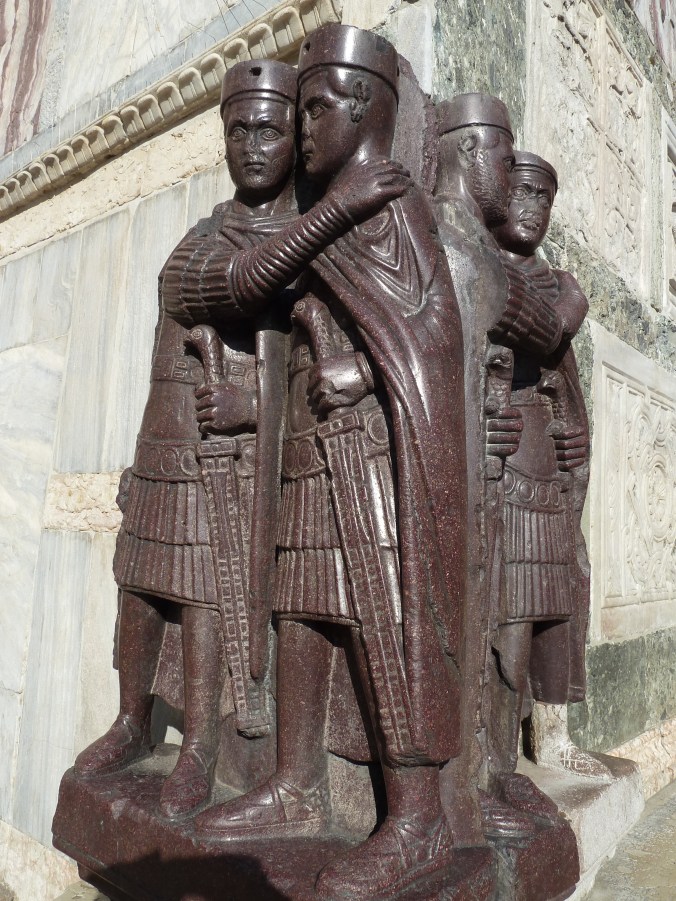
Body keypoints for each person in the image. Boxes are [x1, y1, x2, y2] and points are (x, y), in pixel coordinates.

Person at [194, 24, 468, 901]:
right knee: (301, 611)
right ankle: (297, 779)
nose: (303, 126)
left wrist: (366, 364)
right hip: (311, 451)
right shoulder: (327, 209)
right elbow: (262, 298)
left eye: (316, 108)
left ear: (367, 109)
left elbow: (431, 334)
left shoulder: (394, 203)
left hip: (377, 457)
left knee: (380, 614)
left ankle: (418, 815)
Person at [74, 60, 301, 820]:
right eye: (238, 129)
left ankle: (200, 743)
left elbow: (313, 372)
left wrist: (255, 403)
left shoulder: (303, 246)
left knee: (205, 594)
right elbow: (191, 290)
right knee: (139, 587)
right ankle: (132, 719)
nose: (252, 144)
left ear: (297, 138)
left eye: (269, 128)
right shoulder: (210, 233)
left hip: (227, 458)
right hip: (167, 440)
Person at [489, 150, 609, 781]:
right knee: (509, 601)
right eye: (522, 193)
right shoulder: (479, 270)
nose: (531, 209)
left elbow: (562, 369)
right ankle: (501, 747)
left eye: (543, 198)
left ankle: (554, 734)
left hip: (547, 458)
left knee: (562, 592)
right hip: (503, 457)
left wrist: (576, 438)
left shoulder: (556, 283)